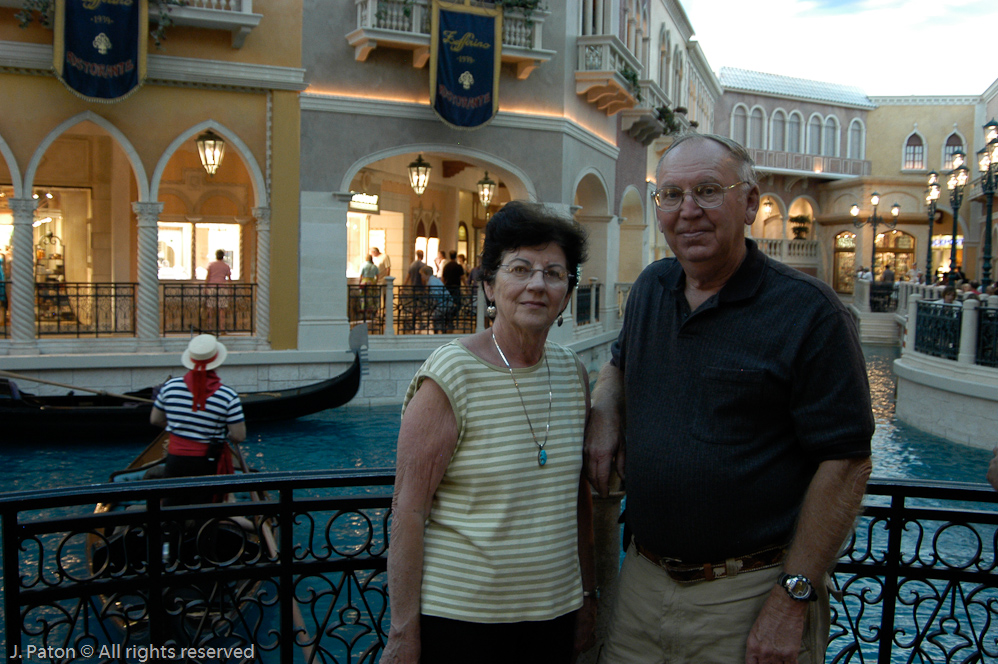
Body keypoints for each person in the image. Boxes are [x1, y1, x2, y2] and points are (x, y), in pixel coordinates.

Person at [585, 134, 873, 664]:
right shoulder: (651, 288)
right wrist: (605, 408)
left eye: (708, 191)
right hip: (643, 586)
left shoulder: (810, 313)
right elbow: (619, 364)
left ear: (750, 203)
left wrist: (795, 596)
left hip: (751, 592)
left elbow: (848, 461)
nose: (687, 211)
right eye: (671, 195)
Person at [383, 201, 596, 664]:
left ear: (567, 290)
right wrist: (402, 631)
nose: (537, 284)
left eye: (554, 273)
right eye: (520, 269)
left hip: (554, 618)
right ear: (489, 286)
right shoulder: (450, 374)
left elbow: (575, 500)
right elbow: (408, 509)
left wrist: (588, 596)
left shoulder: (572, 373)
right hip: (462, 623)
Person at [150, 334, 245, 505]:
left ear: (191, 359)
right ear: (217, 361)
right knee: (205, 510)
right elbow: (239, 436)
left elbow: (155, 420)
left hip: (176, 459)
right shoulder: (228, 396)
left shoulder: (170, 387)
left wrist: (178, 428)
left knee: (172, 506)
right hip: (207, 462)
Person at [205, 249, 232, 332]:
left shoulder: (211, 265)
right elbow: (229, 279)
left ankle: (210, 328)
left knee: (210, 308)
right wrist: (230, 289)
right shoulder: (226, 266)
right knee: (222, 309)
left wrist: (205, 287)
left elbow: (208, 277)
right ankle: (222, 328)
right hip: (222, 288)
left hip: (212, 287)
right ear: (223, 256)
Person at [441, 250, 466, 331]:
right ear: (455, 256)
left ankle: (448, 320)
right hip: (456, 288)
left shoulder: (446, 266)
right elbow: (462, 278)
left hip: (448, 288)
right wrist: (467, 287)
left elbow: (443, 278)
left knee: (447, 304)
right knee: (458, 304)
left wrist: (443, 288)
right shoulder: (458, 266)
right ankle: (451, 318)